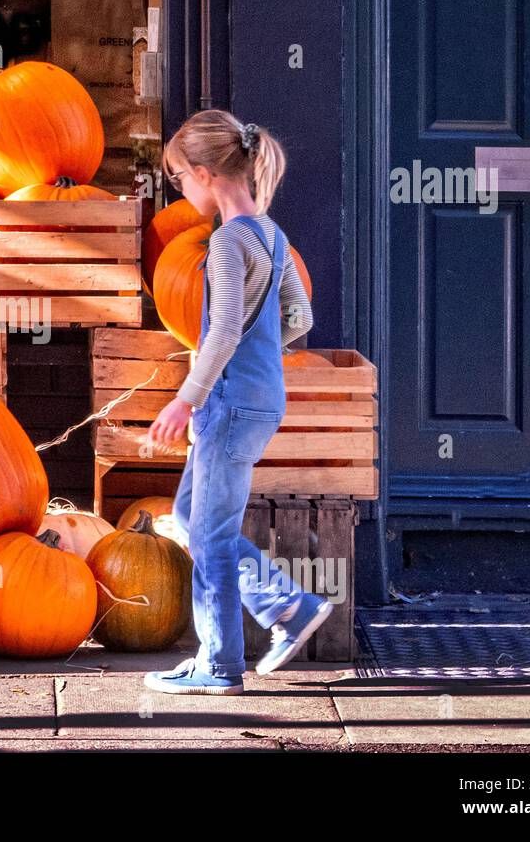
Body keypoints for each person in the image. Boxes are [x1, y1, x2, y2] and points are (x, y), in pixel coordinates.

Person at [143, 110, 332, 696]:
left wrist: (183, 400)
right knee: (195, 519)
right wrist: (259, 349)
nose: (181, 190)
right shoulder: (272, 236)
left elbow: (222, 330)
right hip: (261, 397)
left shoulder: (226, 241)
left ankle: (234, 653)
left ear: (203, 173)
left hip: (228, 402)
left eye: (180, 179)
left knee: (213, 534)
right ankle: (257, 626)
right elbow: (300, 317)